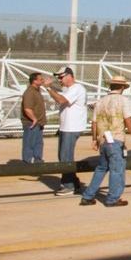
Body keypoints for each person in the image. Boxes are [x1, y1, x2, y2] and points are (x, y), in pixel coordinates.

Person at [80, 74, 131, 207]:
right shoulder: (124, 101)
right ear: (123, 87)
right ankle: (113, 198)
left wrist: (94, 139)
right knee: (117, 169)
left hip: (103, 140)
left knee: (101, 168)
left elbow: (94, 123)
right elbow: (128, 120)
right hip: (116, 138)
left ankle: (88, 196)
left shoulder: (100, 101)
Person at [45, 66, 87, 195]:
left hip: (71, 128)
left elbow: (61, 100)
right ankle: (73, 182)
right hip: (66, 127)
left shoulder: (77, 88)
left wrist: (48, 88)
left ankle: (69, 186)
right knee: (64, 156)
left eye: (61, 77)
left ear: (69, 76)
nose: (59, 80)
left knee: (65, 157)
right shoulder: (69, 89)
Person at [21, 72, 48, 164]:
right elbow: (27, 108)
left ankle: (38, 161)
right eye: (40, 79)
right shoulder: (29, 92)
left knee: (38, 144)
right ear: (34, 81)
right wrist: (34, 119)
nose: (42, 80)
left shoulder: (37, 91)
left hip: (38, 123)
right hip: (31, 123)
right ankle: (27, 163)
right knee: (29, 144)